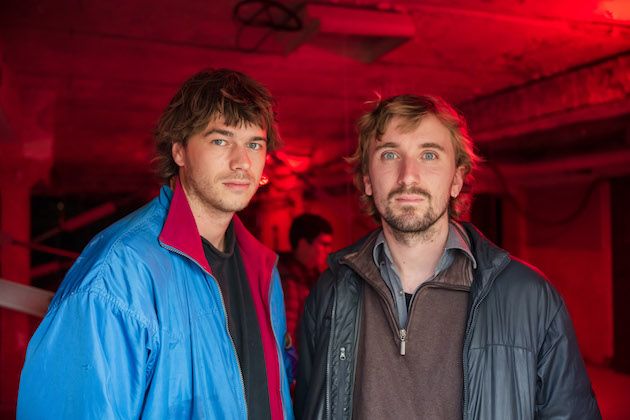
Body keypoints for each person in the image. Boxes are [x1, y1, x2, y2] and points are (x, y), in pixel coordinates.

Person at [294, 94, 601, 419]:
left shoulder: (530, 297)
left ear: (456, 179)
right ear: (368, 179)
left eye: (429, 155)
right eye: (389, 154)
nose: (408, 176)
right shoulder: (331, 292)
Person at [18, 69, 294, 419]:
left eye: (254, 144)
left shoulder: (264, 270)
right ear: (179, 151)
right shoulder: (118, 271)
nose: (242, 162)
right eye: (220, 141)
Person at [278, 213, 333, 347]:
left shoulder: (314, 278)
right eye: (323, 244)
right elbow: (287, 334)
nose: (328, 250)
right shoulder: (287, 280)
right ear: (303, 244)